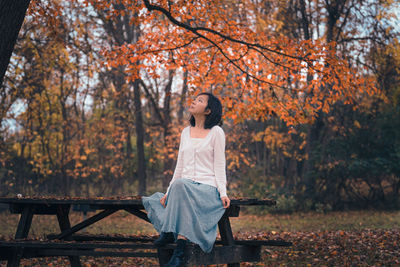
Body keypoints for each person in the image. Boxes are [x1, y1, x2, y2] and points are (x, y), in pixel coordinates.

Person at [142, 92, 230, 267]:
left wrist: (223, 193)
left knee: (180, 185)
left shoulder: (216, 132)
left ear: (208, 110)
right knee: (154, 199)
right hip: (183, 189)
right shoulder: (185, 132)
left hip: (206, 189)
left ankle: (174, 239)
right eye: (195, 99)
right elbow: (180, 166)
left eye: (200, 100)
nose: (194, 101)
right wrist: (169, 193)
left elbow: (220, 165)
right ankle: (178, 244)